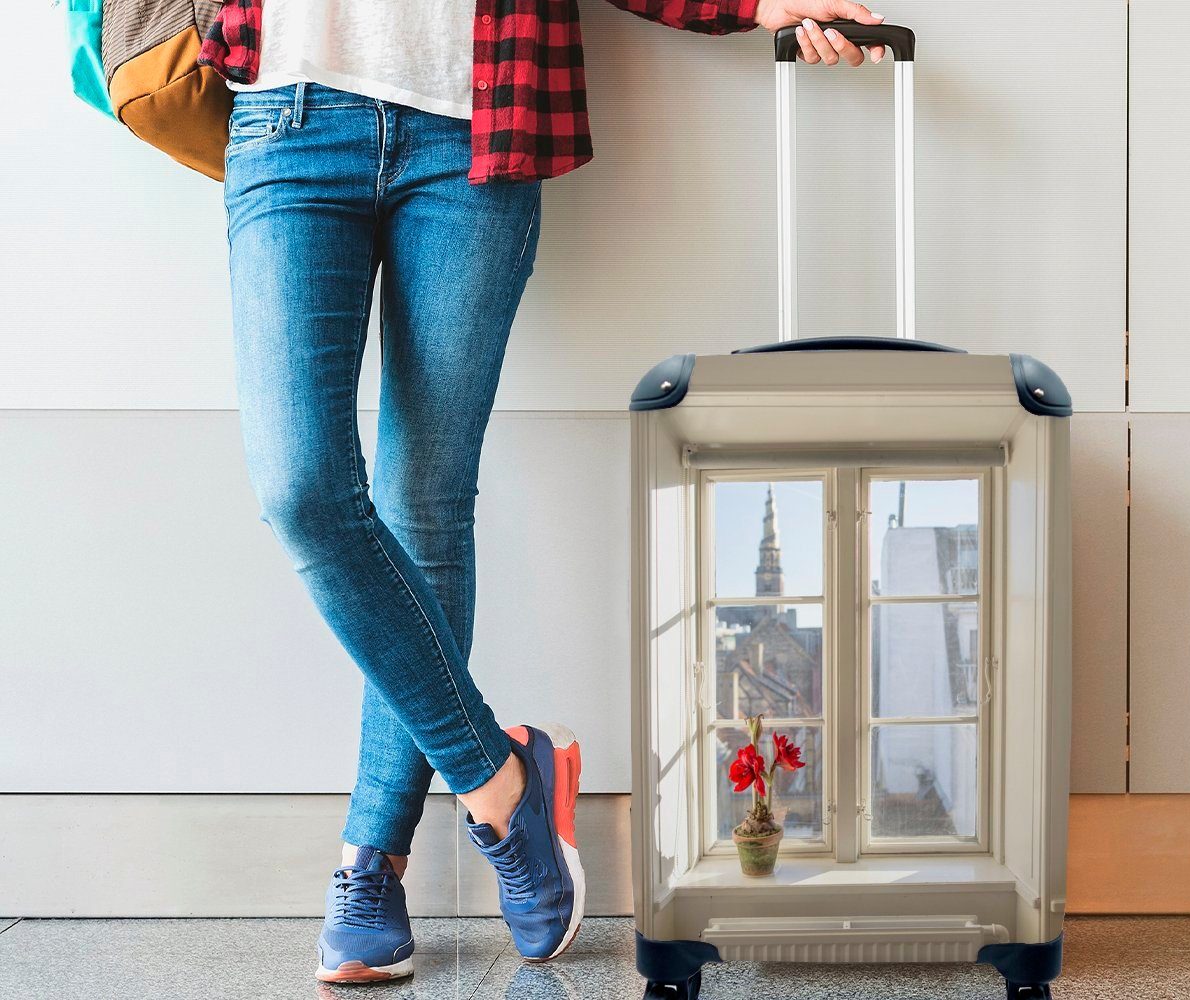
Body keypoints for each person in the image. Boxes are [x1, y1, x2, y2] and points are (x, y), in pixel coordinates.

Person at [199, 0, 885, 984]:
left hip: (473, 122)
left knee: (425, 498)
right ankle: (500, 774)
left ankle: (372, 862)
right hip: (287, 116)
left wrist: (759, 3)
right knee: (303, 489)